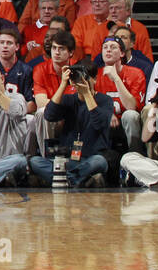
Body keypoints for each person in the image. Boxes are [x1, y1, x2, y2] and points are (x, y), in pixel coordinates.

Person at [27, 60, 112, 188]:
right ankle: (76, 180)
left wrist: (87, 94)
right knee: (35, 161)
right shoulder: (68, 99)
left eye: (85, 77)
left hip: (90, 158)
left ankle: (62, 179)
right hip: (67, 160)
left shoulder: (105, 100)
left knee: (100, 162)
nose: (81, 81)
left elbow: (99, 124)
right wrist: (63, 84)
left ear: (94, 79)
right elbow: (49, 115)